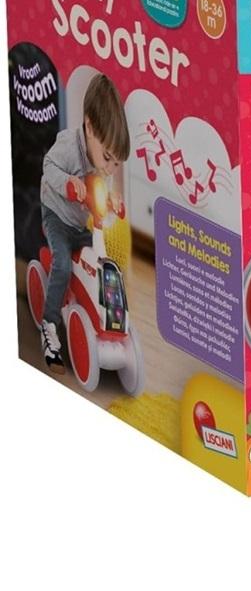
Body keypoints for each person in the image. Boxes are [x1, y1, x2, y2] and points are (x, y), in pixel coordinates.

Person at [38, 74, 130, 371]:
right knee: (63, 265)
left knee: (103, 267)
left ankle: (107, 318)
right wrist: (68, 182)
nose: (110, 168)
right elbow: (48, 166)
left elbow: (105, 196)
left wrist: (113, 201)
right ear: (90, 127)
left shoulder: (104, 165)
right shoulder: (68, 145)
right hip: (57, 217)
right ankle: (50, 325)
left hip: (81, 226)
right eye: (108, 158)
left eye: (116, 163)